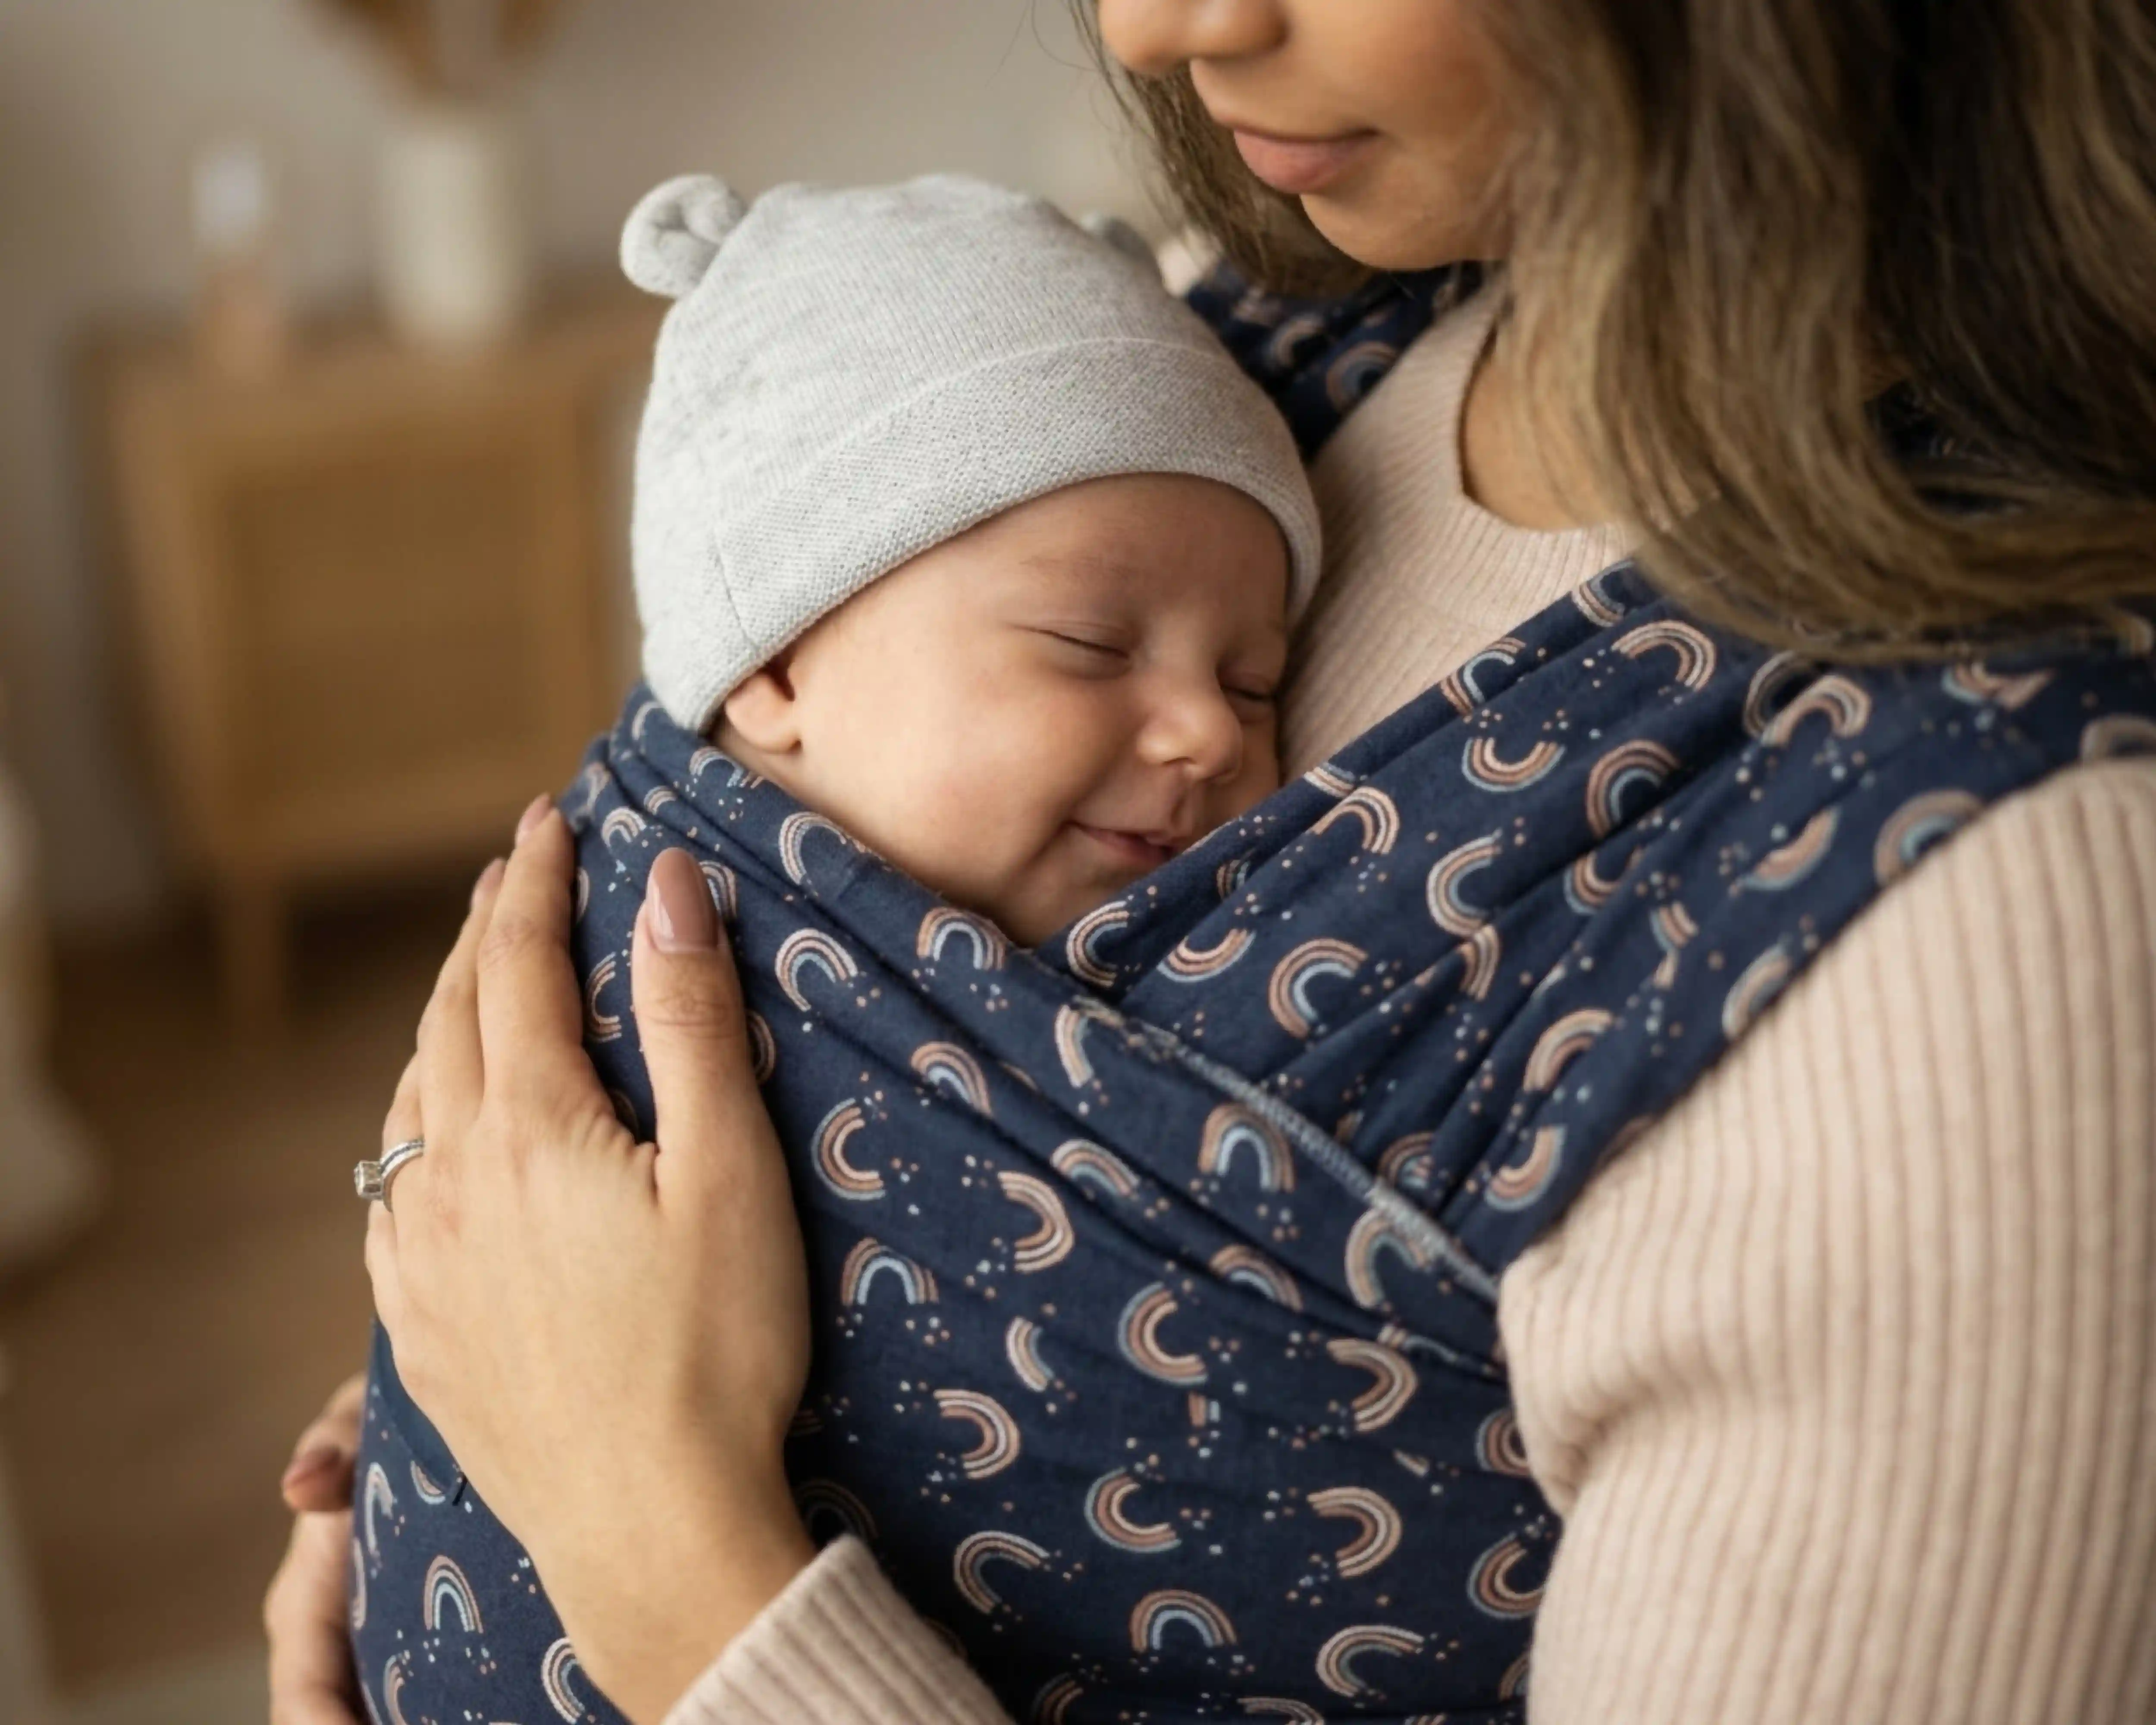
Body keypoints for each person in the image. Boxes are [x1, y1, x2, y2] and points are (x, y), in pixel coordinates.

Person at [268, 3, 2156, 1724]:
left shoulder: (2002, 912)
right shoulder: (1270, 338)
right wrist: (466, 1388)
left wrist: (642, 1542)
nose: (1157, 25)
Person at [344, 167, 1330, 1725]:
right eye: (1090, 644)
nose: (1211, 727)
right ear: (779, 663)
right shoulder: (654, 913)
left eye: (1264, 680)